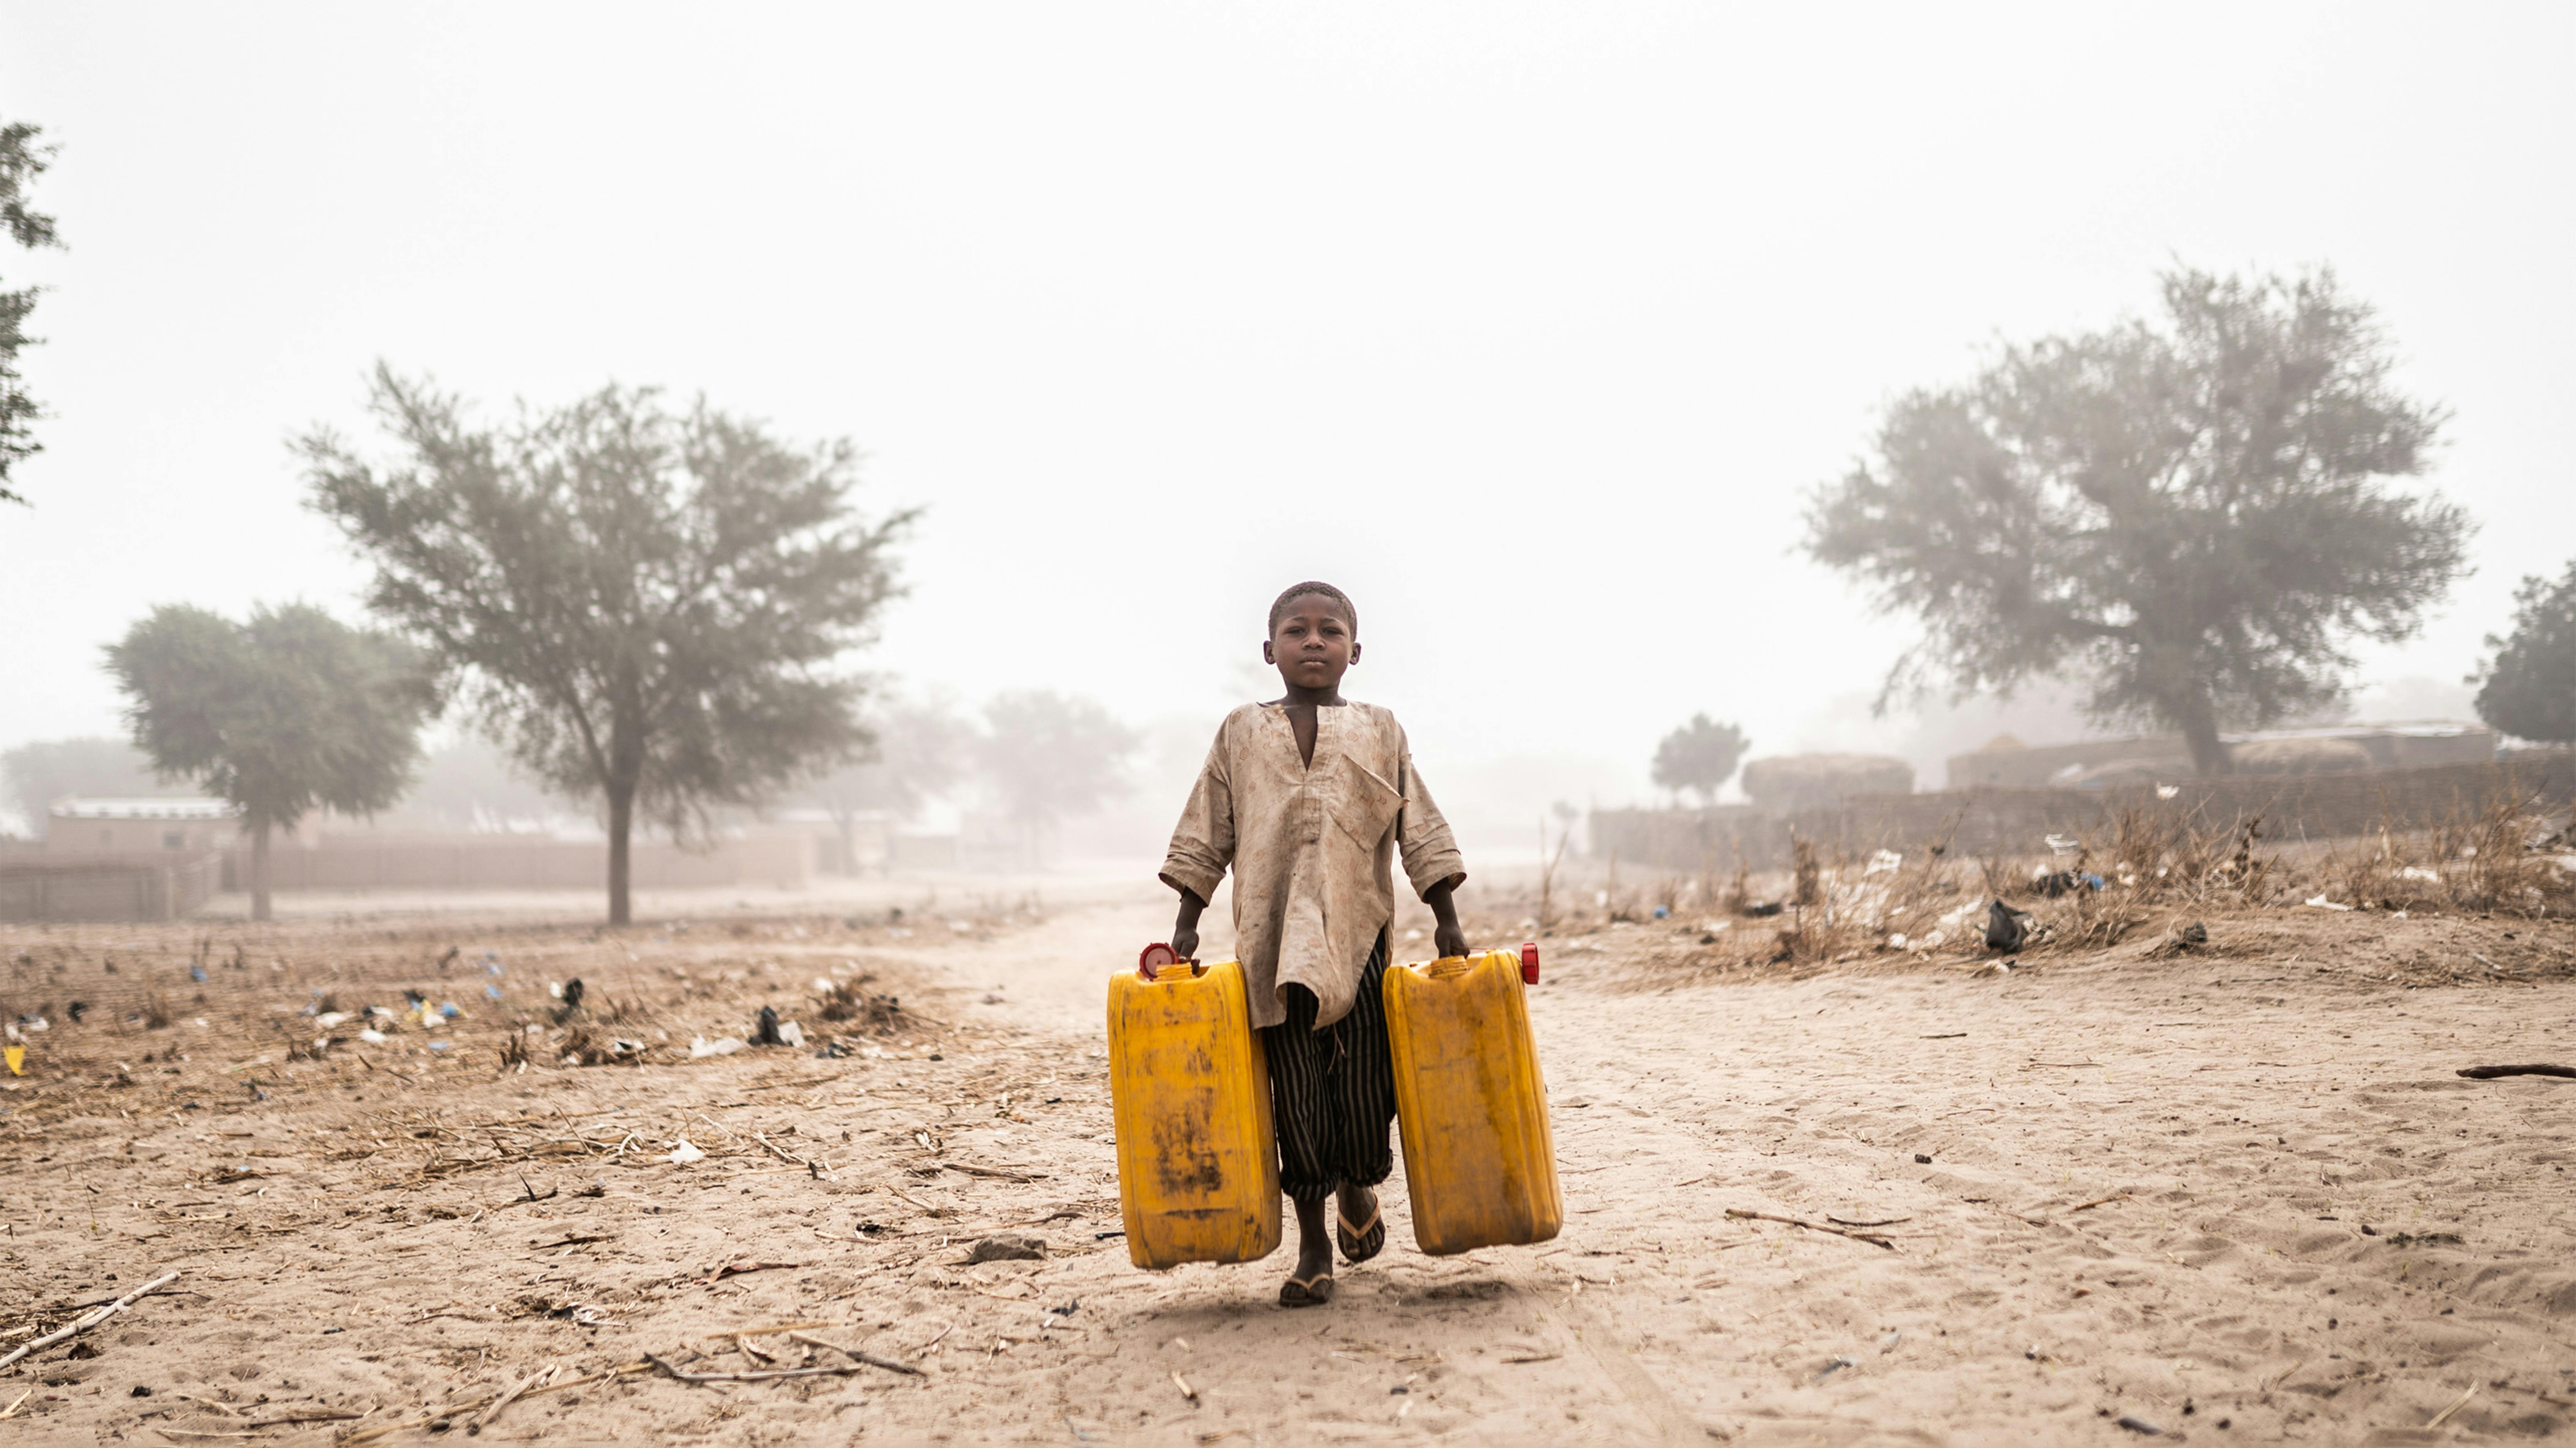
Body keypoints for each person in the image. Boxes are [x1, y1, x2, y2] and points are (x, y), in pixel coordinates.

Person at [1160, 581, 1470, 1307]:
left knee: (1366, 1080)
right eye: (1295, 630)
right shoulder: (1240, 730)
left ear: (1353, 652)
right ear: (1268, 650)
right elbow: (1209, 825)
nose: (1312, 641)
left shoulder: (1380, 728)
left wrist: (1444, 911)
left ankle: (1357, 1183)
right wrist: (1185, 920)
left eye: (1329, 630)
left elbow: (1417, 823)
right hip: (1271, 945)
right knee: (1294, 1089)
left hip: (1356, 931)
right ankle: (1310, 1241)